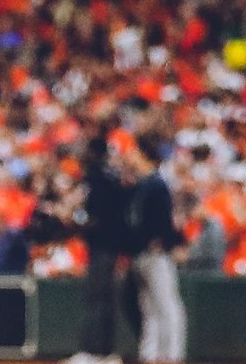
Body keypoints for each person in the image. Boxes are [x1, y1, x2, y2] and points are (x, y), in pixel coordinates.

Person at [69, 139, 133, 364]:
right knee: (103, 299)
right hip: (109, 246)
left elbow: (94, 217)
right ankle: (104, 351)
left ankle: (94, 352)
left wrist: (80, 222)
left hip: (102, 246)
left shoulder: (97, 180)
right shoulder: (110, 178)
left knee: (97, 298)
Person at [130, 138, 185, 364]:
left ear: (144, 155)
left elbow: (165, 220)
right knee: (149, 307)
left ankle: (171, 355)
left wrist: (168, 242)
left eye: (134, 152)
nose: (129, 156)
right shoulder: (142, 184)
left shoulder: (157, 184)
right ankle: (150, 354)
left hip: (157, 253)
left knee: (167, 306)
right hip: (142, 252)